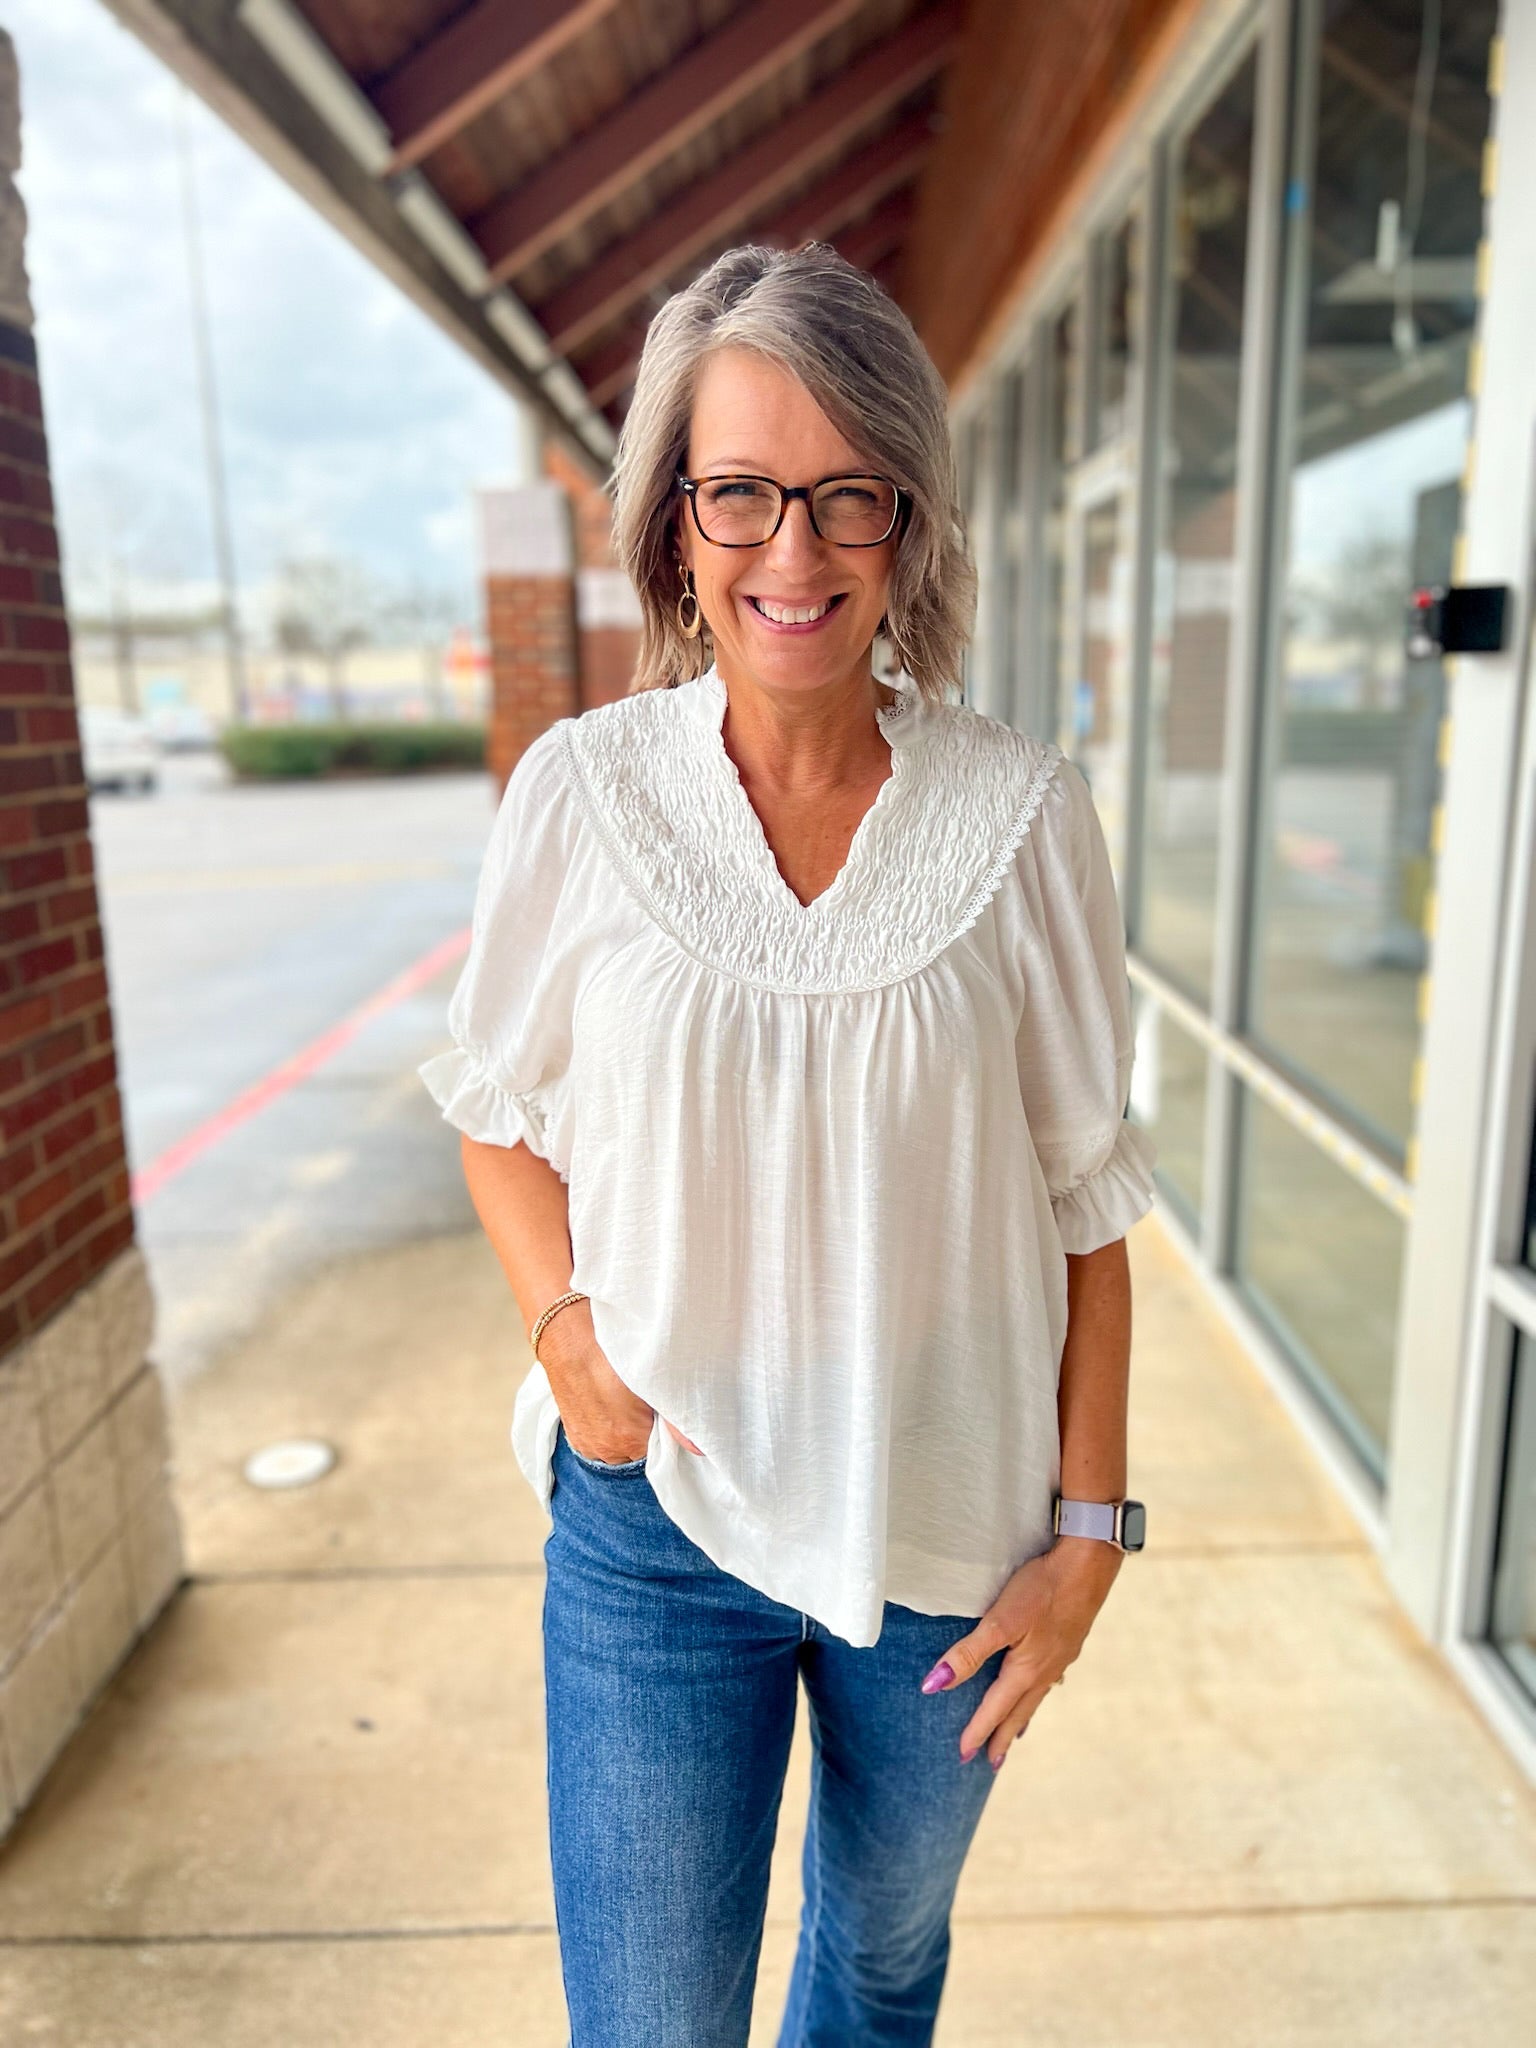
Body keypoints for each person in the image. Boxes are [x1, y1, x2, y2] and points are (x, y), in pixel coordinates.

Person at [419, 240, 1157, 2048]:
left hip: (950, 1543)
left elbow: (1088, 1207)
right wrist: (566, 1344)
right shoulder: (583, 798)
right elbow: (497, 1114)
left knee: (884, 1965)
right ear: (677, 521)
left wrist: (1090, 1544)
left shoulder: (1026, 815)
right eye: (740, 492)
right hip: (659, 1520)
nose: (796, 552)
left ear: (910, 521)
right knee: (655, 2023)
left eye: (847, 497)